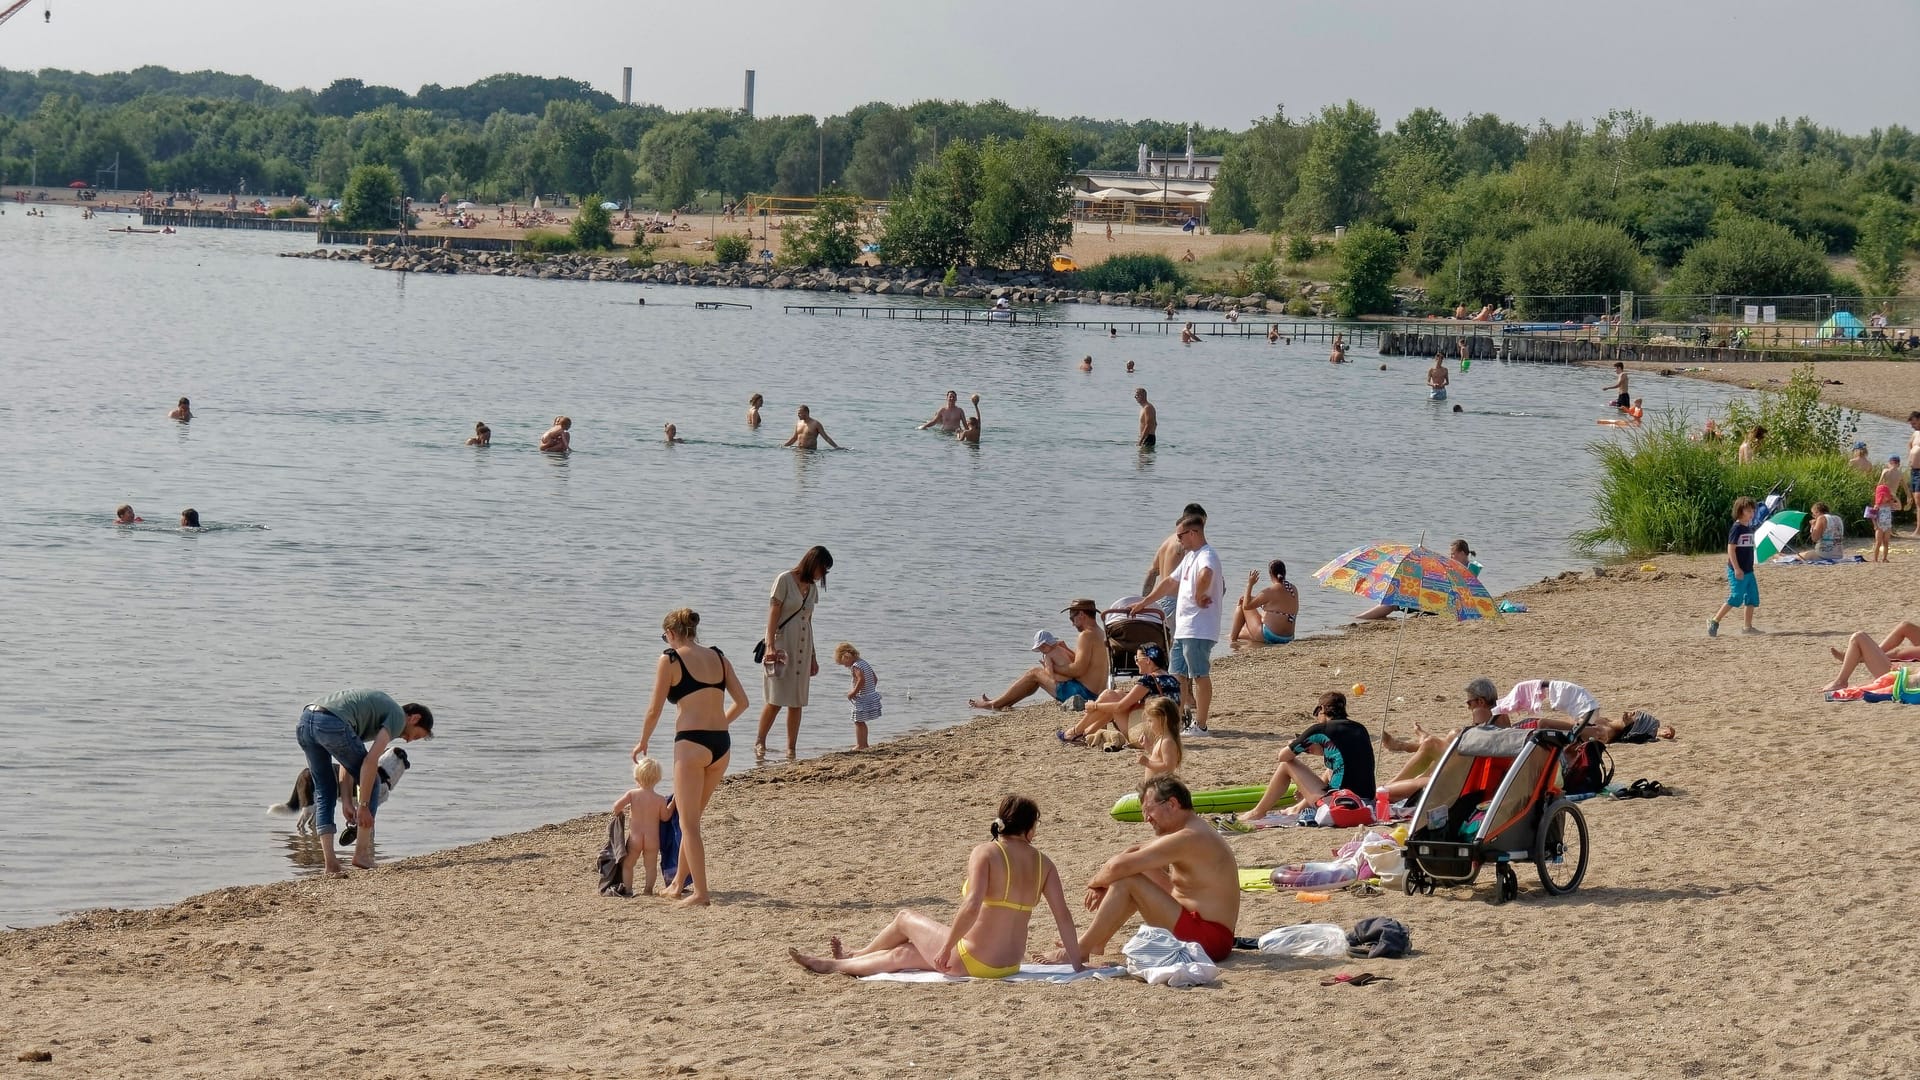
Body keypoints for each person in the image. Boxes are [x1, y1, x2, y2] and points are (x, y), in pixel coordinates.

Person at [789, 795, 1083, 978]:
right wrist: (1077, 963)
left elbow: (972, 905)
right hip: (1009, 964)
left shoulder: (987, 851)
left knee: (904, 918)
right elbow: (1064, 917)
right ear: (1031, 828)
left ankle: (851, 956)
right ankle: (843, 962)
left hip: (972, 958)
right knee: (904, 954)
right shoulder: (1045, 863)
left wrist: (944, 948)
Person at [1045, 777, 1238, 963]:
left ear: (1172, 804)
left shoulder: (1190, 836)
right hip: (1197, 923)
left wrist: (1095, 884)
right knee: (1136, 870)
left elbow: (1118, 866)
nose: (1146, 819)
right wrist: (1104, 883)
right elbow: (1135, 851)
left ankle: (1080, 950)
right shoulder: (1190, 829)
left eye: (1149, 811)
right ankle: (1097, 943)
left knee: (1127, 879)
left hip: (1209, 940)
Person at [633, 608, 748, 906]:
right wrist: (719, 724)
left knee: (689, 824)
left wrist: (642, 741)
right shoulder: (719, 657)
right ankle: (676, 886)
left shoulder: (670, 659)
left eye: (665, 636)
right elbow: (743, 702)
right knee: (691, 819)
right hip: (721, 744)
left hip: (691, 745)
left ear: (671, 633)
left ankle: (700, 893)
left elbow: (654, 709)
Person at [294, 690, 434, 875]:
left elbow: (346, 761)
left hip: (306, 721)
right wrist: (364, 806)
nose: (408, 741)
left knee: (325, 790)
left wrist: (345, 800)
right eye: (416, 736)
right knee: (374, 781)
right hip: (330, 722)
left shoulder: (371, 713)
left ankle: (331, 864)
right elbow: (370, 761)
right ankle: (361, 855)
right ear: (414, 718)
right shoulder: (398, 717)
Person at [1130, 514, 1222, 734]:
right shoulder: (1190, 556)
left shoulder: (1206, 555)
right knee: (1176, 675)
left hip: (1199, 627)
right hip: (1183, 627)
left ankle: (1201, 725)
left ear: (1193, 533)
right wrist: (1145, 602)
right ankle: (1179, 721)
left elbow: (1206, 573)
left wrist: (1200, 594)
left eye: (1180, 535)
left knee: (1199, 674)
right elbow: (1169, 581)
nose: (1178, 540)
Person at [1242, 690, 1376, 822]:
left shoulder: (1321, 729)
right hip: (1368, 803)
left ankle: (1257, 812)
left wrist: (1299, 747)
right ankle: (1297, 808)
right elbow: (1345, 756)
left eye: (1317, 712)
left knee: (1286, 765)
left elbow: (1282, 756)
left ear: (1322, 709)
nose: (1317, 716)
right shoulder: (1360, 728)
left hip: (1341, 803)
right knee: (1331, 770)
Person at [756, 546, 833, 758]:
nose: (822, 575)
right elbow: (773, 615)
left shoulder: (812, 588)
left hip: (803, 647)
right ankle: (760, 741)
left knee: (797, 700)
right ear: (813, 563)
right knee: (776, 698)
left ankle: (791, 747)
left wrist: (814, 656)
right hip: (782, 646)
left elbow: (808, 622)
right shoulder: (784, 580)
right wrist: (770, 646)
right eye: (822, 569)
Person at [970, 600, 1109, 711]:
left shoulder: (1085, 635)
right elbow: (1084, 664)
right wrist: (1066, 649)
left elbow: (1078, 670)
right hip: (1096, 693)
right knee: (1036, 675)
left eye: (1072, 618)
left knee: (1034, 673)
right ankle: (1002, 703)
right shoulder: (1099, 633)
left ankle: (993, 704)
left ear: (1081, 615)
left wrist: (1053, 668)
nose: (1072, 623)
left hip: (1083, 694)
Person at [1058, 643, 1180, 743]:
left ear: (1148, 660)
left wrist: (1094, 706)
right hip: (1168, 734)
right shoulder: (1173, 680)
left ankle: (1075, 732)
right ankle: (1084, 733)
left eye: (1137, 658)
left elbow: (1120, 706)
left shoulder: (1149, 680)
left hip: (1146, 737)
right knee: (1115, 695)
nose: (1136, 662)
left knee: (1110, 697)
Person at [1355, 539, 1474, 620]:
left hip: (1439, 602)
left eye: (1453, 554)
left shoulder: (1467, 570)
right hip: (1438, 598)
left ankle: (1361, 618)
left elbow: (1462, 592)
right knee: (1397, 595)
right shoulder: (1466, 568)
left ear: (1462, 553)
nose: (1451, 557)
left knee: (1394, 602)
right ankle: (1363, 617)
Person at [611, 757, 673, 895]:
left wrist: (622, 811)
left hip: (635, 838)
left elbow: (616, 807)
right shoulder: (660, 799)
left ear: (637, 777)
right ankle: (648, 890)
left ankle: (628, 889)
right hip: (652, 839)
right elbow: (665, 817)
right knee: (650, 866)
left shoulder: (632, 794)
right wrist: (673, 804)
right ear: (658, 779)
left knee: (628, 865)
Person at [1142, 503, 1206, 622]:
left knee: (1164, 639)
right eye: (1199, 524)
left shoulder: (1167, 542)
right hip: (1177, 603)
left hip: (1161, 602)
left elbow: (1152, 572)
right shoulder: (1186, 545)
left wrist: (1144, 601)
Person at [1708, 495, 1760, 637]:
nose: (1751, 514)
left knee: (1752, 598)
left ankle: (1747, 627)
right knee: (1736, 597)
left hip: (1749, 570)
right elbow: (1731, 549)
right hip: (1737, 570)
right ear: (1740, 511)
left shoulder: (1748, 528)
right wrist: (1737, 568)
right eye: (1748, 511)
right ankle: (1714, 620)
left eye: (1752, 511)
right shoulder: (1736, 528)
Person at [1822, 621, 1920, 693]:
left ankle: (1841, 680)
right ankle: (1856, 657)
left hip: (1900, 681)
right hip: (1902, 678)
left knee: (1858, 637)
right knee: (1859, 637)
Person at [1231, 560, 1298, 646]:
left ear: (1270, 574)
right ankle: (1234, 635)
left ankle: (1233, 640)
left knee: (1243, 601)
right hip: (1288, 637)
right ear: (1284, 572)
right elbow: (1278, 604)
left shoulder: (1270, 591)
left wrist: (1250, 584)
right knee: (1244, 632)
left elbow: (1246, 606)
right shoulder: (1293, 589)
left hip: (1271, 636)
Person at [836, 641, 880, 751]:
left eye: (844, 663)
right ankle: (864, 743)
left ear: (846, 657)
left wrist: (853, 693)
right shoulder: (863, 662)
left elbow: (861, 680)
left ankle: (861, 744)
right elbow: (875, 678)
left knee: (858, 721)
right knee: (861, 721)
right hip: (870, 695)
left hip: (862, 698)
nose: (845, 666)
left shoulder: (855, 666)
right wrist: (870, 690)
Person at [1133, 696, 1183, 779]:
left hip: (1161, 787)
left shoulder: (1168, 742)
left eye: (1150, 721)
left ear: (1163, 719)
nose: (1148, 725)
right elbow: (1159, 758)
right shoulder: (1163, 738)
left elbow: (1168, 767)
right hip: (1155, 787)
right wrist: (1148, 747)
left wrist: (1147, 762)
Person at [1872, 484, 1895, 562]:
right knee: (1878, 543)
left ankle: (1884, 558)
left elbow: (1899, 506)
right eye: (1885, 495)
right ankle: (1875, 559)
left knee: (1886, 542)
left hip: (1888, 526)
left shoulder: (1889, 505)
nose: (1887, 497)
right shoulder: (1877, 506)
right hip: (1879, 526)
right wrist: (1875, 525)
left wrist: (1895, 497)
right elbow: (1873, 516)